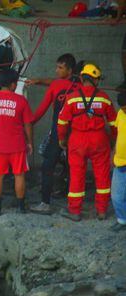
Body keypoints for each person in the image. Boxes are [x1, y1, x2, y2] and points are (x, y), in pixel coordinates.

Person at [57, 63, 117, 222]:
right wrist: (112, 141)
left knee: (77, 175)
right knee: (102, 176)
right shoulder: (104, 97)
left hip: (77, 140)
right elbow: (113, 123)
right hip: (99, 140)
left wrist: (62, 139)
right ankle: (102, 211)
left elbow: (62, 122)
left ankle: (75, 211)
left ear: (82, 78)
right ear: (96, 80)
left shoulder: (71, 98)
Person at [28, 54, 81, 215]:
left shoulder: (56, 86)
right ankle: (73, 204)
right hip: (76, 133)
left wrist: (29, 123)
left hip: (59, 132)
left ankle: (45, 202)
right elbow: (58, 82)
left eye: (60, 68)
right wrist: (39, 81)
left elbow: (42, 109)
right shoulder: (81, 85)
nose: (56, 70)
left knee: (47, 166)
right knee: (74, 167)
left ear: (70, 70)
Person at [0, 69, 34, 217]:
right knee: (19, 175)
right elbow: (28, 124)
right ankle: (21, 207)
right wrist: (30, 142)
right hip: (17, 146)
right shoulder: (21, 101)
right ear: (13, 85)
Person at [111, 92, 126, 231]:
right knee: (116, 195)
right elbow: (119, 135)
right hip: (120, 162)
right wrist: (114, 152)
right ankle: (122, 220)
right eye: (122, 108)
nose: (124, 110)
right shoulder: (120, 114)